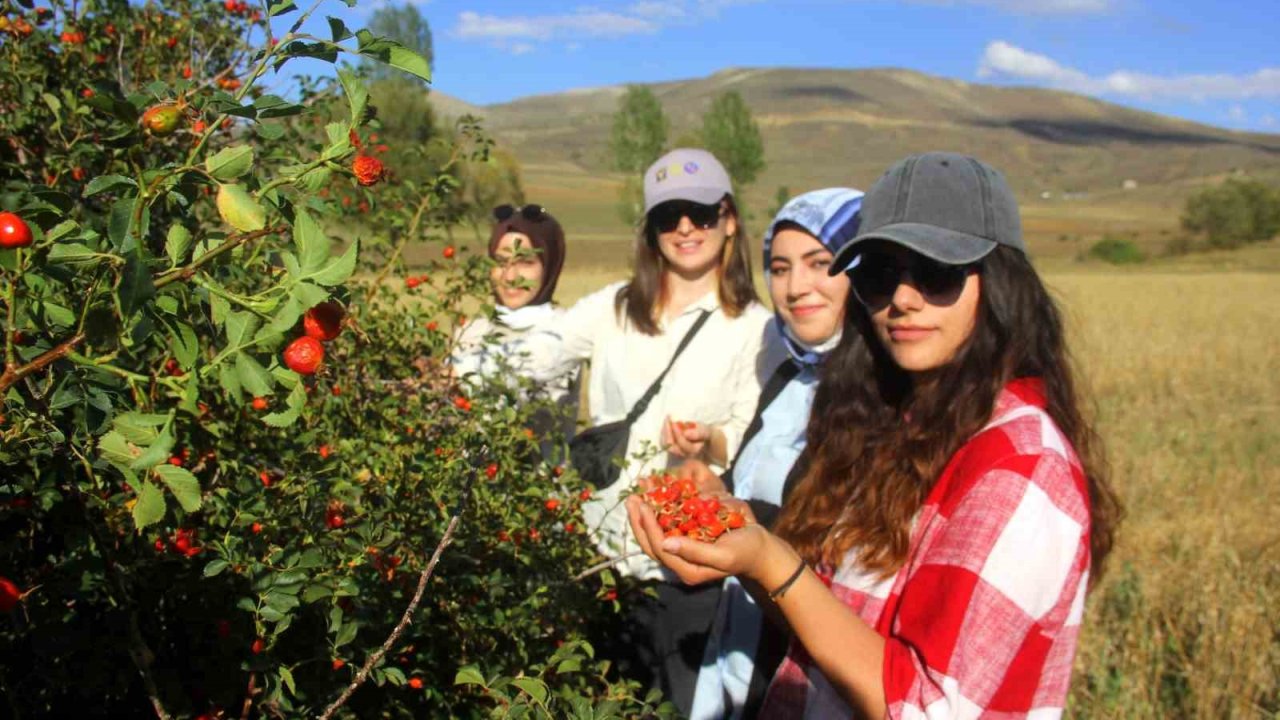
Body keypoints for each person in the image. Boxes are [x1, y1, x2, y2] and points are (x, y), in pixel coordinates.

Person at [628, 152, 1123, 718]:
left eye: (938, 273)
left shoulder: (1018, 468)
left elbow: (927, 708)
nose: (903, 299)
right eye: (879, 276)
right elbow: (830, 620)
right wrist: (738, 536)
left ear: (1001, 282)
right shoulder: (901, 425)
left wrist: (767, 558)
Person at [505, 148, 774, 713]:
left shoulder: (756, 330)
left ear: (729, 220)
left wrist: (710, 441)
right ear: (650, 230)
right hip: (600, 556)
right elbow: (534, 358)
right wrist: (481, 343)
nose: (684, 227)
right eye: (667, 214)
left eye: (700, 213)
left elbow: (752, 433)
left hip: (688, 569)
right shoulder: (613, 308)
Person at [687, 187, 864, 720]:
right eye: (781, 268)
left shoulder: (879, 401)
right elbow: (758, 495)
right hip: (743, 635)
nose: (795, 287)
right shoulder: (787, 376)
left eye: (821, 264)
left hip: (812, 670)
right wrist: (713, 490)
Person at [450, 203, 579, 453]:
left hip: (540, 488)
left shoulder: (567, 328)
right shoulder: (470, 331)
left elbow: (525, 375)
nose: (510, 276)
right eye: (501, 261)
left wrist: (461, 374)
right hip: (469, 488)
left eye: (525, 262)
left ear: (550, 264)